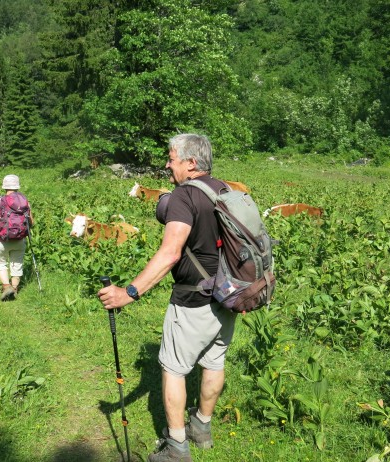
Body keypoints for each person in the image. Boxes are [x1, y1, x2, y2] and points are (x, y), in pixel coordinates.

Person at [98, 134, 237, 462]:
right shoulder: (226, 191)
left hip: (193, 299)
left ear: (190, 163)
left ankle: (177, 449)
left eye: (171, 157)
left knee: (174, 369)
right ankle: (201, 429)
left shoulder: (184, 196)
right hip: (229, 295)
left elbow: (170, 253)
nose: (167, 163)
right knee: (214, 363)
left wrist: (129, 293)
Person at [0, 174, 34, 301]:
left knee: (0, 262)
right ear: (17, 186)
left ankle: (6, 286)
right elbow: (31, 222)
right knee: (17, 263)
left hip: (1, 239)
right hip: (20, 238)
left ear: (4, 186)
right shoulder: (24, 201)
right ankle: (14, 288)